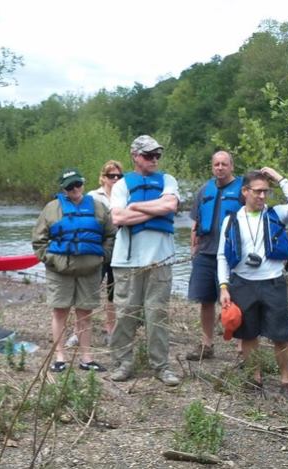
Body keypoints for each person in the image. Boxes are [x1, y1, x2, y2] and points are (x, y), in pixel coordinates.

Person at [217, 167, 288, 400]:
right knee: (248, 334)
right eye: (257, 191)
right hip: (242, 283)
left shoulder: (277, 214)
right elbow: (222, 257)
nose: (263, 196)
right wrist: (223, 287)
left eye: (266, 191)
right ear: (245, 191)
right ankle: (254, 379)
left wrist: (279, 176)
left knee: (281, 335)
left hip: (273, 282)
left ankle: (286, 380)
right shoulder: (231, 220)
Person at [108, 135, 181, 386]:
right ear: (135, 156)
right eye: (149, 155)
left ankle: (161, 367)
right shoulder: (121, 185)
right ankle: (123, 363)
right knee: (125, 314)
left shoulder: (168, 180)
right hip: (127, 262)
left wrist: (136, 207)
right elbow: (118, 217)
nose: (154, 160)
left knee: (157, 315)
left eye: (157, 155)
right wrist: (154, 208)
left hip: (161, 260)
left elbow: (169, 206)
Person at [33, 168, 116, 372]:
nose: (75, 189)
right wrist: (51, 259)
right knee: (60, 311)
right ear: (64, 188)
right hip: (59, 270)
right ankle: (60, 357)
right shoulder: (51, 209)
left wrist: (103, 256)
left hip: (90, 269)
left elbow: (111, 235)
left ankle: (86, 358)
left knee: (85, 313)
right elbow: (38, 239)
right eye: (70, 186)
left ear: (83, 184)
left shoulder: (98, 207)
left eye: (77, 184)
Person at [187, 150, 242, 361]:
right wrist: (194, 247)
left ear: (231, 166)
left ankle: (240, 347)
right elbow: (196, 221)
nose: (220, 167)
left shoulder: (242, 190)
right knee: (206, 300)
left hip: (232, 256)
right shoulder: (204, 190)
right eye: (216, 164)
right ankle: (207, 345)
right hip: (206, 253)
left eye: (224, 164)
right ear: (212, 166)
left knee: (235, 301)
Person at [67, 160, 123, 348]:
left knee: (112, 293)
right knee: (87, 290)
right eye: (111, 176)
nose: (115, 179)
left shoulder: (125, 195)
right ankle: (77, 332)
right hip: (96, 249)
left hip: (119, 249)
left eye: (118, 176)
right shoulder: (93, 196)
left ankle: (110, 330)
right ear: (103, 177)